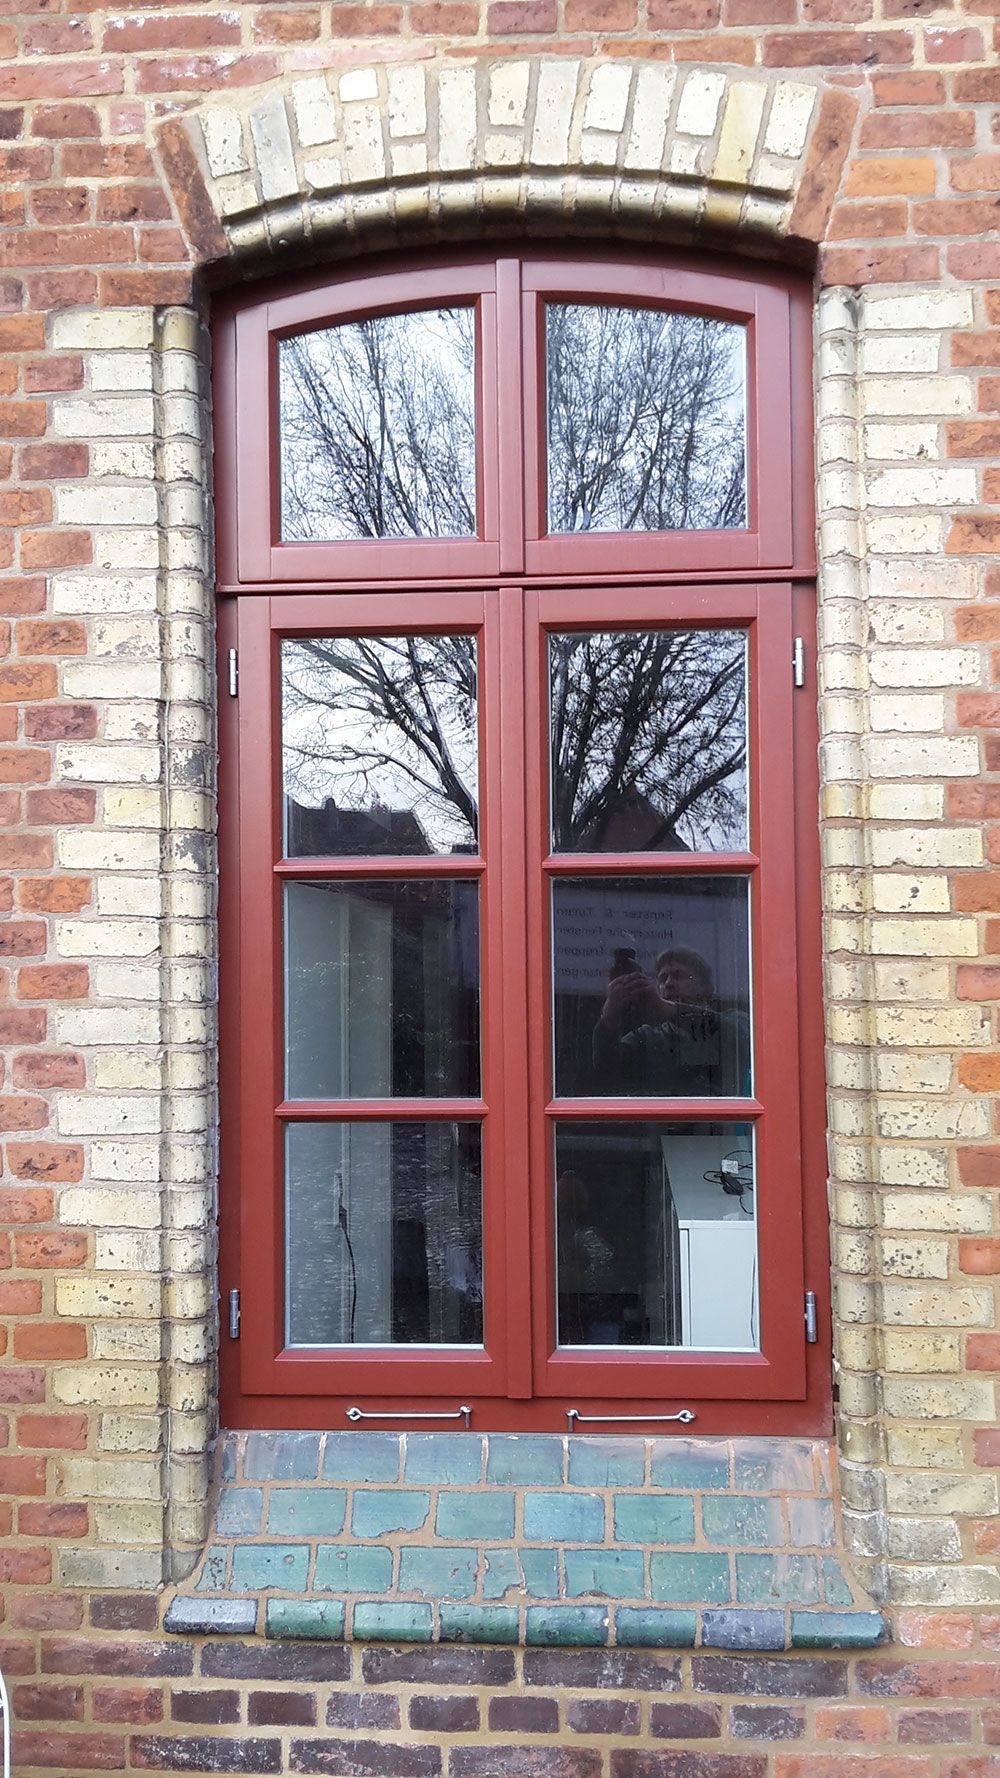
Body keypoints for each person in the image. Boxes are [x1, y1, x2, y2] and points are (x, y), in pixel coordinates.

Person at [592, 944, 748, 1096]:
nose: (668, 984)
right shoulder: (645, 1038)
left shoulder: (734, 1021)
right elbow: (606, 1069)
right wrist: (609, 1018)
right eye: (662, 978)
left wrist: (670, 1010)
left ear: (705, 987)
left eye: (678, 976)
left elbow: (738, 1036)